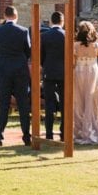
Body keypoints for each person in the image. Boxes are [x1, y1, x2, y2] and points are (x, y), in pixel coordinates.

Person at [0, 5, 31, 147]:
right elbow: (28, 51)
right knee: (23, 104)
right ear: (16, 16)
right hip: (20, 70)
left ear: (4, 15)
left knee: (3, 104)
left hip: (4, 70)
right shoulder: (23, 31)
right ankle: (27, 136)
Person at [40, 11, 65, 141]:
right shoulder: (67, 35)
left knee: (49, 103)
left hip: (49, 71)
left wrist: (45, 65)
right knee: (64, 103)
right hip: (64, 72)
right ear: (62, 22)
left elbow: (41, 55)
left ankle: (49, 133)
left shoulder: (44, 36)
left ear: (51, 21)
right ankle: (63, 133)